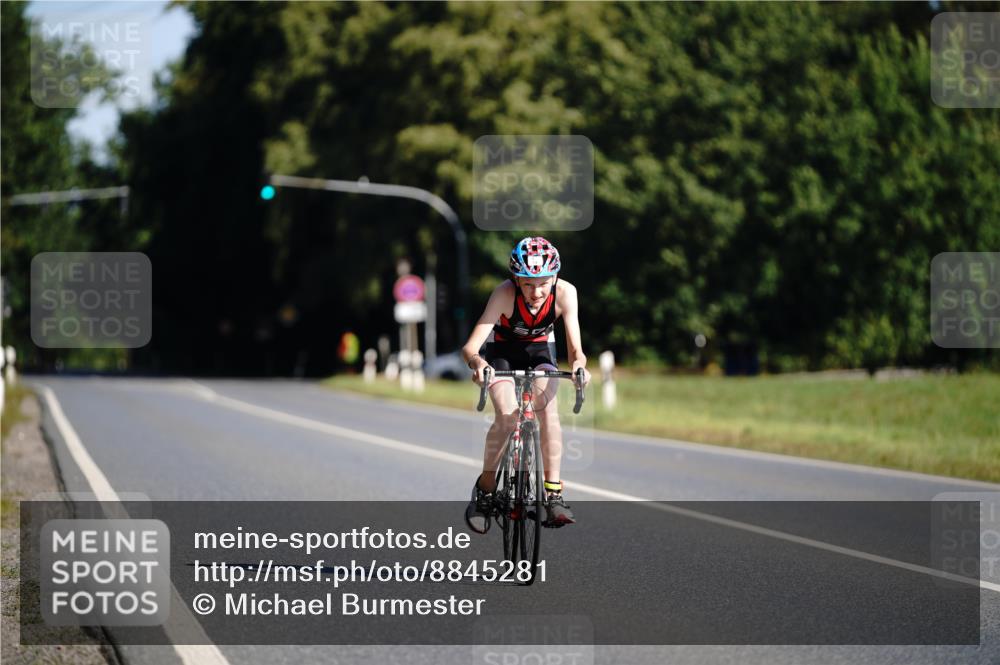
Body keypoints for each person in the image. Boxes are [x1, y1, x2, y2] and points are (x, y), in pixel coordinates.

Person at [461, 236, 591, 533]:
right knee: (507, 417)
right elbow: (471, 347)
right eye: (528, 284)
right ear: (516, 280)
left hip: (541, 352)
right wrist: (479, 364)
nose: (536, 292)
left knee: (548, 412)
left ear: (555, 277)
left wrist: (580, 367)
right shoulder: (504, 295)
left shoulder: (566, 293)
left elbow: (575, 350)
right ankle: (486, 489)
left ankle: (554, 493)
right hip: (502, 353)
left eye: (544, 283)